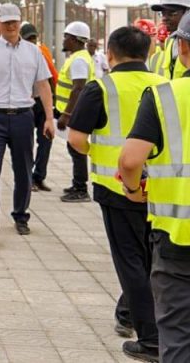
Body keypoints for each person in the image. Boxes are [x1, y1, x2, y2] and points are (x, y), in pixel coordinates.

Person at [68, 26, 166, 361]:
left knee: (131, 263)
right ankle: (132, 316)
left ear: (109, 55)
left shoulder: (102, 88)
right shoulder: (164, 86)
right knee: (153, 258)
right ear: (149, 52)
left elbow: (77, 139)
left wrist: (99, 155)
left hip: (117, 188)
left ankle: (150, 338)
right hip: (161, 188)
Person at [119, 13, 190, 362]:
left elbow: (130, 161)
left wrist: (134, 191)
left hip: (177, 237)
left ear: (183, 48)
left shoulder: (164, 96)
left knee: (176, 334)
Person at [0, 3, 55, 245]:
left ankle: (21, 215)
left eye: (14, 21)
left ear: (20, 22)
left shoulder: (33, 52)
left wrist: (49, 117)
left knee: (24, 170)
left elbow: (44, 85)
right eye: (6, 21)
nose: (11, 25)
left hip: (22, 116)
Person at [58, 21, 97, 203]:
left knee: (76, 148)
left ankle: (81, 188)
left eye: (66, 37)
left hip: (76, 112)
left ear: (74, 39)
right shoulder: (78, 57)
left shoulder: (79, 60)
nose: (64, 40)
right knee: (74, 148)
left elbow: (78, 88)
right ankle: (78, 183)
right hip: (78, 110)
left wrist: (66, 114)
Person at [21, 23, 59, 193]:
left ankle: (39, 177)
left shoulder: (42, 52)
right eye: (28, 38)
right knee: (26, 143)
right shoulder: (18, 54)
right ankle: (27, 178)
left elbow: (51, 77)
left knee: (46, 141)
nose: (31, 40)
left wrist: (52, 104)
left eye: (33, 37)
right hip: (26, 104)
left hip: (42, 103)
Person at [151, 0, 190, 80]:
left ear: (187, 12)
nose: (164, 18)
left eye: (172, 13)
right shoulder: (170, 42)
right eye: (163, 13)